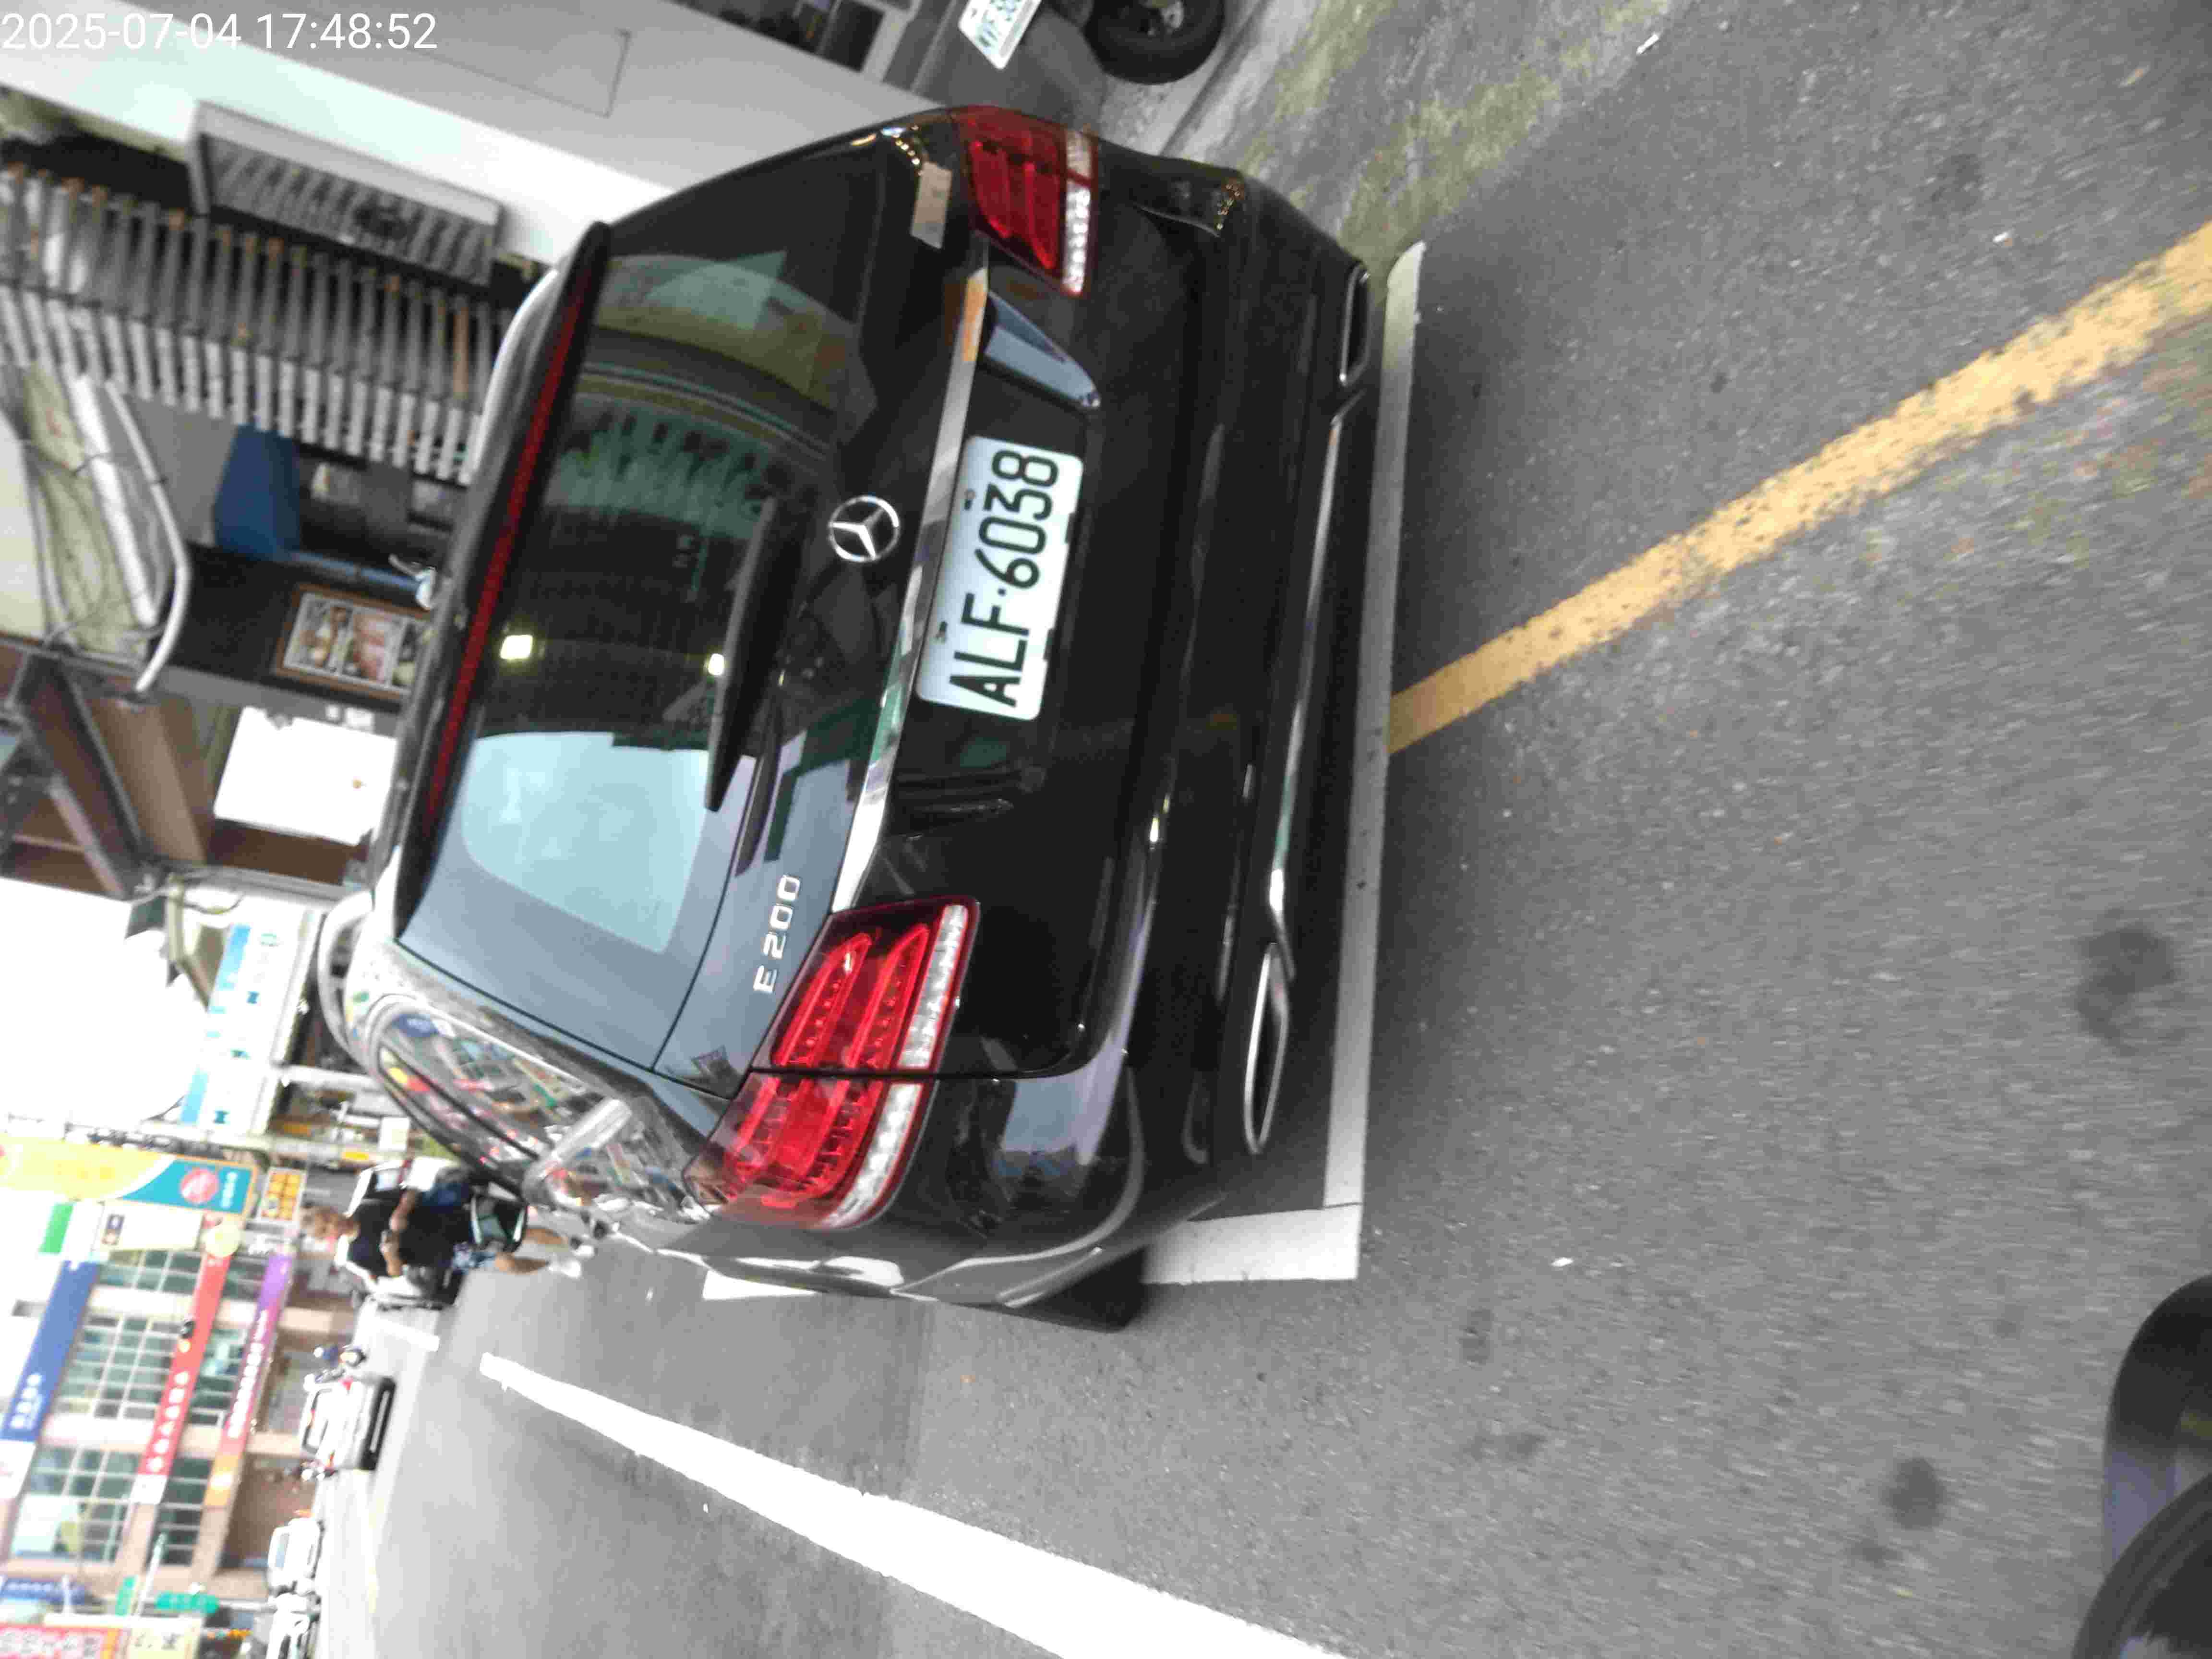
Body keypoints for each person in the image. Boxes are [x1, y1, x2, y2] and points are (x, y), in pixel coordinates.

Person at [301, 1189, 581, 1280]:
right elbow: (394, 1273)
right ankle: (553, 1264)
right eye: (326, 1228)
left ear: (331, 1210)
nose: (333, 1224)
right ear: (326, 1237)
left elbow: (411, 1192)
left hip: (454, 1222)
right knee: (507, 1263)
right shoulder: (356, 1255)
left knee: (523, 1232)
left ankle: (572, 1244)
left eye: (328, 1217)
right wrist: (391, 1255)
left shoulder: (368, 1204)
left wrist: (401, 1210)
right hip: (448, 1255)